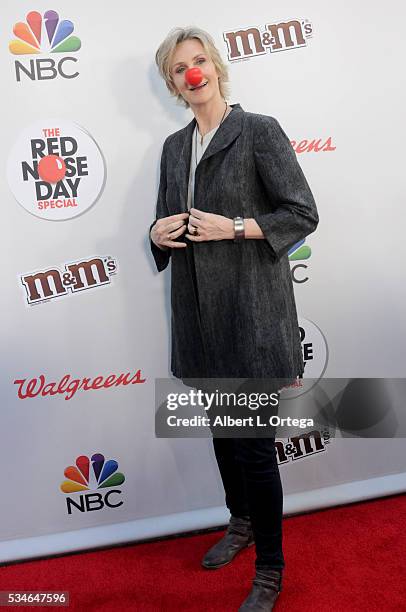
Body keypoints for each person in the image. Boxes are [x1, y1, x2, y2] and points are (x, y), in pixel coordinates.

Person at [150, 26, 319, 611]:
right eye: (179, 69)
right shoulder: (174, 148)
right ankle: (240, 523)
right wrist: (157, 232)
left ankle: (270, 569)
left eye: (199, 61)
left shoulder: (258, 131)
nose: (192, 73)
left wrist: (236, 225)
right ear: (172, 85)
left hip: (251, 316)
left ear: (217, 67)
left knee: (253, 446)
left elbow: (302, 212)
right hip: (199, 317)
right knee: (224, 435)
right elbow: (164, 221)